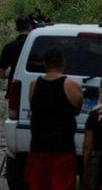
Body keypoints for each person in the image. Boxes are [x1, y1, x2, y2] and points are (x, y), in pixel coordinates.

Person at [26, 47, 83, 190]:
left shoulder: (34, 85)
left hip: (39, 146)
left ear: (45, 64)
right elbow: (77, 110)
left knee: (38, 185)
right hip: (62, 147)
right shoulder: (72, 86)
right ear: (63, 63)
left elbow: (34, 108)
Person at [0, 15, 33, 98]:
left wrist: (7, 76)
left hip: (14, 88)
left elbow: (1, 73)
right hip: (33, 87)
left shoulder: (9, 47)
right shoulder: (36, 45)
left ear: (16, 28)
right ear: (30, 27)